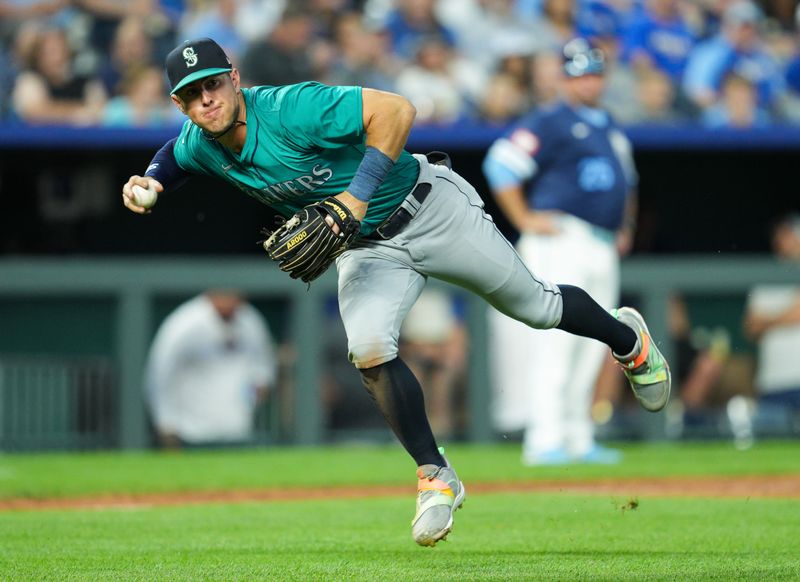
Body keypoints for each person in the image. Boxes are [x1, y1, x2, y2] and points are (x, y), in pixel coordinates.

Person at [121, 37, 671, 547]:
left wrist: (356, 199)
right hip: (366, 248)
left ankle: (630, 340)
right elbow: (177, 154)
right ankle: (436, 476)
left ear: (234, 79)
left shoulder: (291, 107)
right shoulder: (200, 139)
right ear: (179, 104)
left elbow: (398, 110)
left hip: (430, 208)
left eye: (212, 84)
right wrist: (152, 180)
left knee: (538, 307)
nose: (205, 100)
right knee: (368, 348)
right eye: (190, 95)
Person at [482, 38, 638, 466]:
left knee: (594, 345)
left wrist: (625, 224)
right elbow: (500, 164)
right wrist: (525, 219)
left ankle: (576, 436)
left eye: (594, 73)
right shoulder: (551, 120)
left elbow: (627, 182)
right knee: (555, 342)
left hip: (600, 242)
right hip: (561, 239)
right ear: (565, 77)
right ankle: (544, 439)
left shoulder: (607, 123)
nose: (588, 81)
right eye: (580, 73)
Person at [144, 290, 278, 449]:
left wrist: (253, 393)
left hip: (238, 430)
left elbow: (263, 367)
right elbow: (160, 374)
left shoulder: (250, 319)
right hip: (191, 433)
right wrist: (166, 422)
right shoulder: (185, 322)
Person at [742, 214, 800, 437]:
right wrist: (787, 315)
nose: (782, 242)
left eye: (789, 236)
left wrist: (770, 321)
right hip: (772, 385)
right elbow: (751, 326)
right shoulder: (767, 278)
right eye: (780, 236)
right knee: (768, 444)